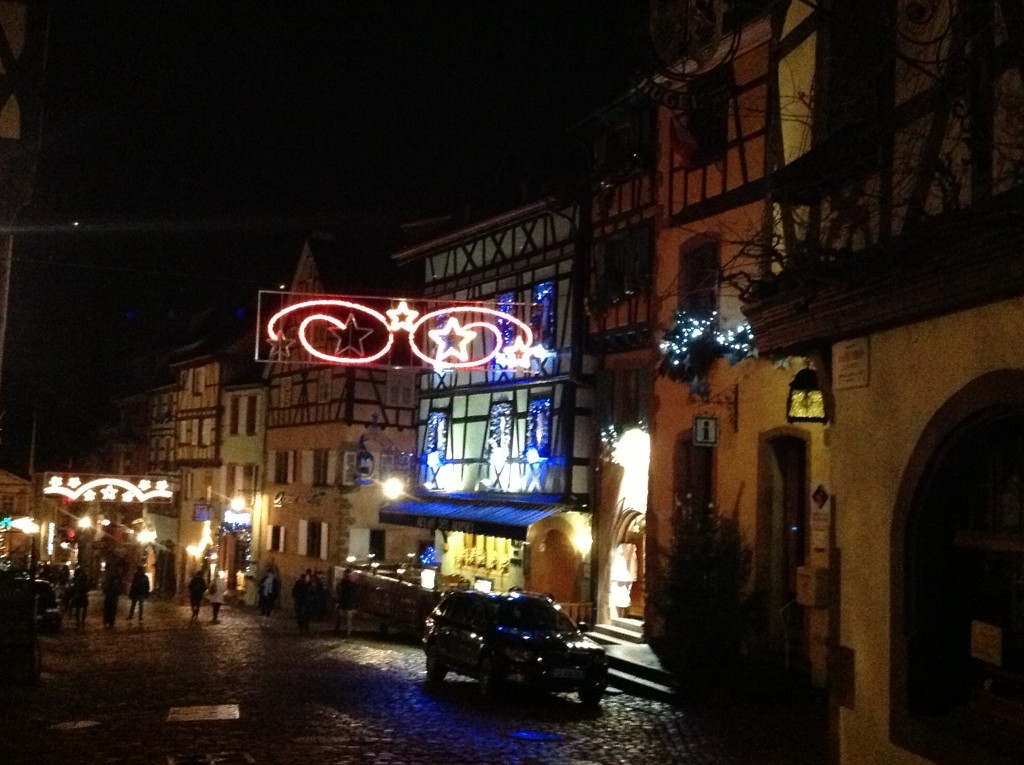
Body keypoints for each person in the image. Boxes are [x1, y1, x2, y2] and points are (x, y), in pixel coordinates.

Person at [334, 568, 357, 637]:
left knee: (346, 619)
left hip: (347, 603)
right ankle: (346, 632)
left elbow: (341, 593)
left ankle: (346, 632)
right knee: (345, 619)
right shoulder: (349, 583)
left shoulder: (346, 583)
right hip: (347, 603)